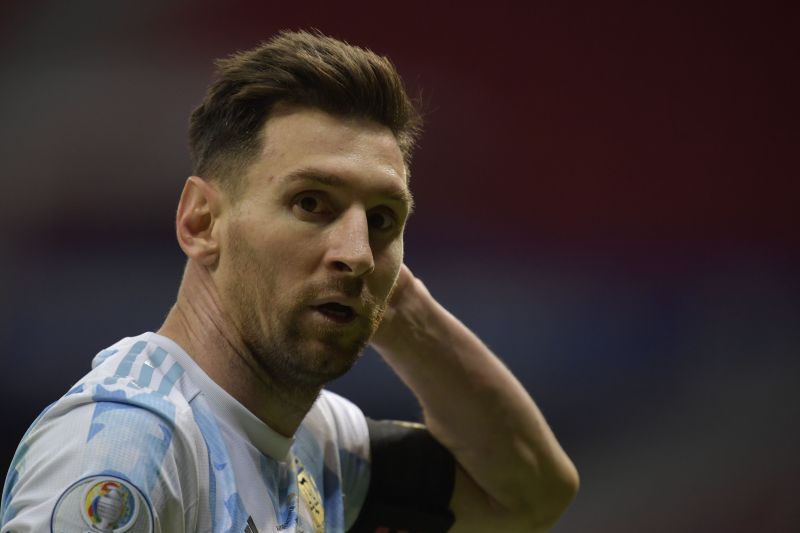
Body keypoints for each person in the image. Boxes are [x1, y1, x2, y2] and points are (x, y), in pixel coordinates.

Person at [1, 30, 578, 532]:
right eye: (310, 203)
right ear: (201, 222)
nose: (357, 253)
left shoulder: (317, 441)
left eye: (382, 220)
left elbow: (527, 498)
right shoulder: (130, 446)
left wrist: (397, 305)